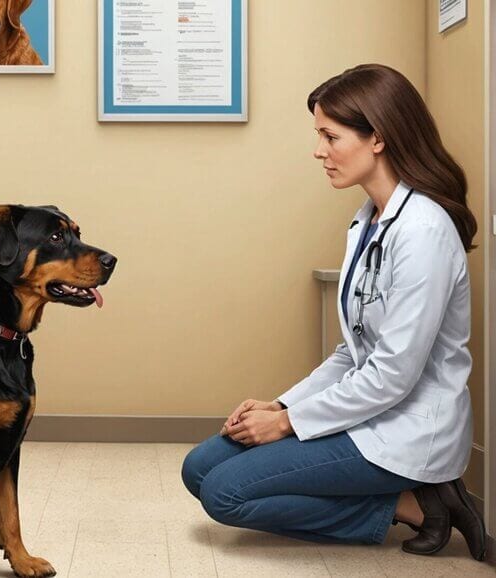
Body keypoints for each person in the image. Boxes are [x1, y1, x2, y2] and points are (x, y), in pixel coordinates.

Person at [181, 64, 487, 562]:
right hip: (366, 413)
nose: (318, 150)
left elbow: (391, 377)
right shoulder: (370, 220)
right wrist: (281, 406)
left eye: (330, 135)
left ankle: (414, 502)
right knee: (199, 468)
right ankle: (418, 502)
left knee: (224, 494)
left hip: (406, 430)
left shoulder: (424, 233)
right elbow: (354, 352)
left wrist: (288, 424)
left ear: (379, 139)